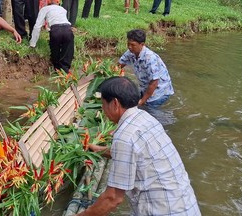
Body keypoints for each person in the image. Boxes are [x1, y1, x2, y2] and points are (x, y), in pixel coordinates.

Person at [77, 77, 200, 216]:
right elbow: (136, 154)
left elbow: (113, 198)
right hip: (186, 206)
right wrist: (98, 150)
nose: (103, 109)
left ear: (115, 104)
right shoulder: (146, 118)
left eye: (103, 104)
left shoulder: (125, 136)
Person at [118, 29, 174, 108]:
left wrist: (142, 101)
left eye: (133, 45)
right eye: (128, 44)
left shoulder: (150, 59)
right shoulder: (130, 53)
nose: (129, 47)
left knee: (150, 111)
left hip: (159, 91)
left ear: (142, 44)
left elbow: (154, 82)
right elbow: (118, 66)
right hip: (145, 86)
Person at [30, 0, 74, 73]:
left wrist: (32, 43)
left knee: (55, 50)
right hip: (67, 30)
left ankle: (56, 68)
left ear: (48, 4)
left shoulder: (44, 9)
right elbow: (60, 21)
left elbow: (37, 26)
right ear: (58, 3)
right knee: (68, 51)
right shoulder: (63, 9)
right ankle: (65, 70)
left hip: (56, 31)